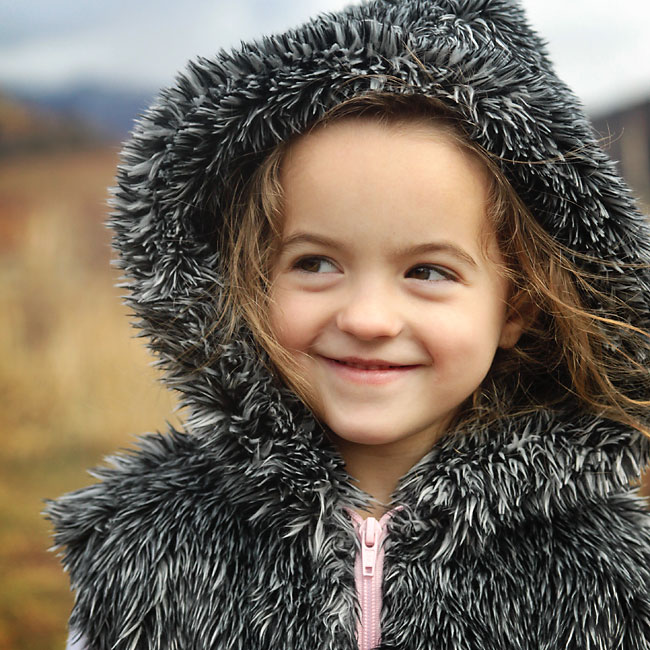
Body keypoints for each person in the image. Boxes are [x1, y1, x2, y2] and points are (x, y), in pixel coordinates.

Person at [46, 0, 650, 648]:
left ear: (518, 306)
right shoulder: (146, 541)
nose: (366, 318)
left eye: (428, 272)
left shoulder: (606, 575)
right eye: (316, 262)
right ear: (247, 279)